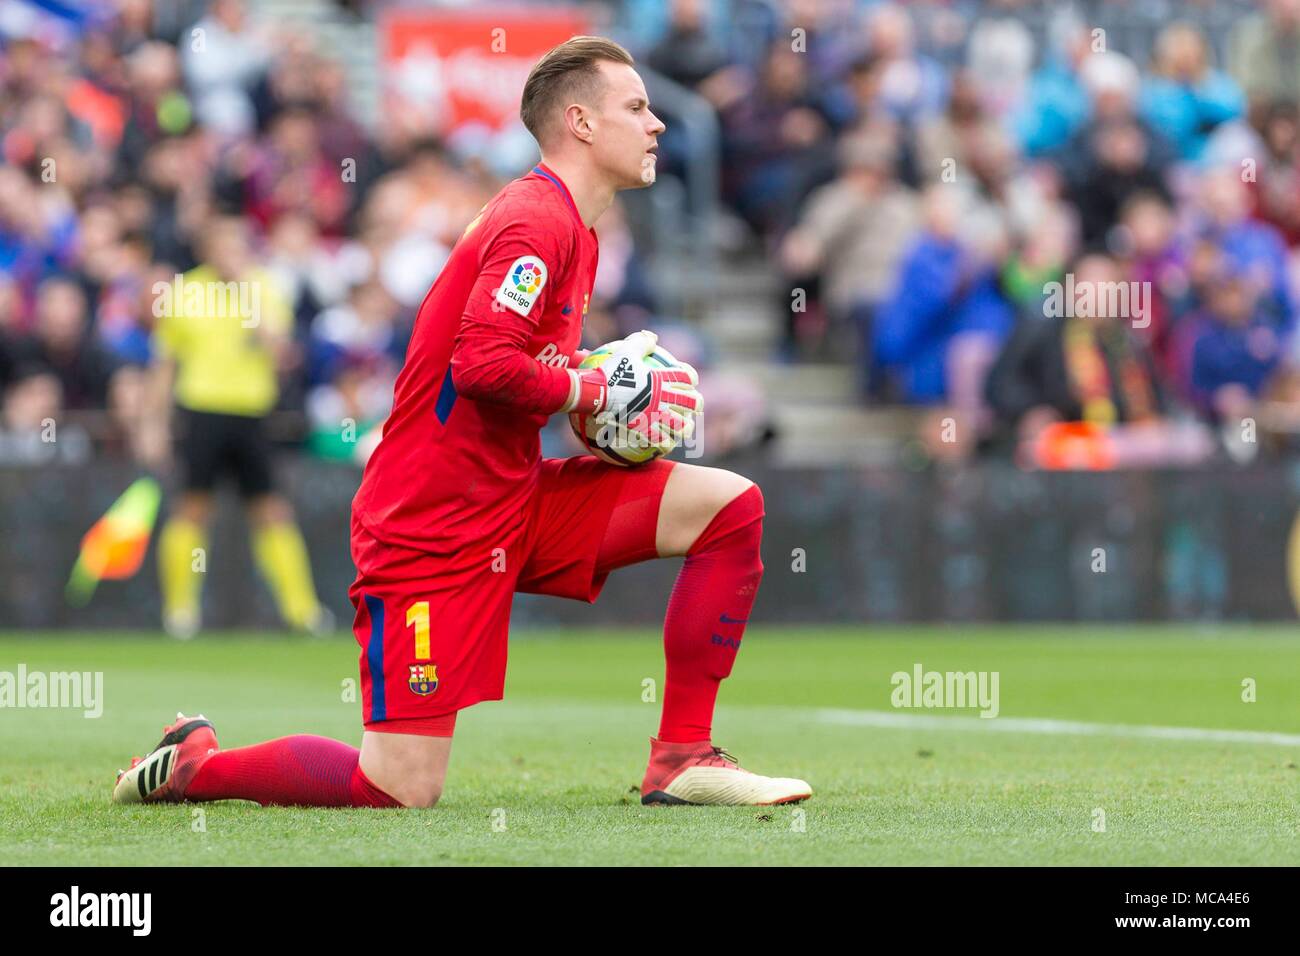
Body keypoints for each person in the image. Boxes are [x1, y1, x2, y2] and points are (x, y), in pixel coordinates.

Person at [114, 37, 811, 810]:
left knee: (729, 509)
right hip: (432, 520)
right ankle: (197, 765)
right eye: (638, 108)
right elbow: (483, 365)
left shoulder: (574, 227)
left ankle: (681, 759)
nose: (657, 126)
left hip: (513, 495)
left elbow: (517, 369)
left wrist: (597, 415)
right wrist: (588, 390)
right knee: (397, 788)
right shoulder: (534, 221)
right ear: (580, 123)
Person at [137, 214, 327, 639]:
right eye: (221, 247)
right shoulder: (185, 292)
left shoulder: (263, 287)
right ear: (207, 251)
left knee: (271, 511)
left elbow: (280, 351)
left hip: (251, 414)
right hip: (201, 412)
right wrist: (152, 422)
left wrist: (247, 296)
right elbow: (165, 364)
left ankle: (302, 611)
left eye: (236, 246)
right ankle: (181, 611)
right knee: (191, 509)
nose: (228, 255)